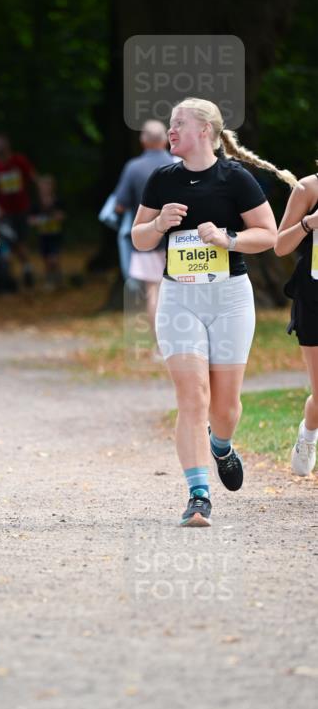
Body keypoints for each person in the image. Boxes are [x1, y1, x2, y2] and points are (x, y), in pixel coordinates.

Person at [131, 97, 295, 527]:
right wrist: (158, 224)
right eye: (169, 124)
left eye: (178, 124)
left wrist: (229, 239)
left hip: (229, 300)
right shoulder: (161, 180)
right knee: (193, 398)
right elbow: (139, 239)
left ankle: (220, 445)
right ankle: (198, 495)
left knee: (224, 407)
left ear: (204, 130)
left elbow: (269, 234)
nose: (170, 131)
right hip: (179, 298)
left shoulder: (235, 178)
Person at [114, 120, 176, 339]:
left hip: (147, 238)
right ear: (166, 140)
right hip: (178, 238)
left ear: (143, 141)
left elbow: (119, 205)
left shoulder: (133, 168)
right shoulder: (179, 164)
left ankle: (161, 344)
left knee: (154, 291)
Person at [275, 169, 318, 476]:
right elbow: (280, 246)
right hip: (314, 298)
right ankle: (308, 434)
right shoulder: (308, 188)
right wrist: (308, 223)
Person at [0, 134, 37, 287]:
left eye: (1, 144)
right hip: (5, 213)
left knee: (21, 241)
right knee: (10, 241)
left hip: (22, 209)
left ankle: (27, 269)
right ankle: (10, 277)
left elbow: (33, 178)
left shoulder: (19, 161)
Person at [28, 175, 65, 289]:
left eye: (47, 186)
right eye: (43, 186)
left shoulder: (57, 201)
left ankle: (57, 279)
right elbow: (30, 219)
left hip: (55, 234)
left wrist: (56, 215)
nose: (45, 189)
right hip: (43, 235)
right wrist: (36, 221)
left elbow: (62, 215)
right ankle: (51, 279)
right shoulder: (36, 203)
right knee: (46, 259)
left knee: (53, 258)